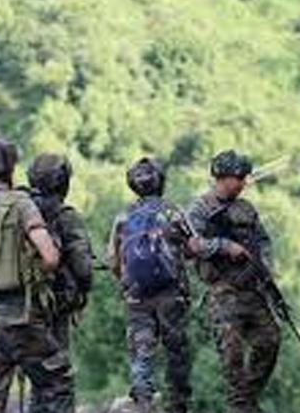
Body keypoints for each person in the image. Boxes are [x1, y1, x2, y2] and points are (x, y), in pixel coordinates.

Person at [0, 137, 71, 413]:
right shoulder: (20, 202)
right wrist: (35, 274)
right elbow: (50, 257)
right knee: (57, 382)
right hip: (20, 316)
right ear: (10, 166)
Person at [187, 150, 280, 413]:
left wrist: (266, 266)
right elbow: (191, 245)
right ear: (223, 177)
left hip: (252, 289)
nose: (243, 183)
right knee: (232, 352)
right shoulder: (200, 209)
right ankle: (240, 405)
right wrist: (224, 246)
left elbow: (263, 240)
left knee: (269, 342)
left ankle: (246, 399)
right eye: (239, 178)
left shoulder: (246, 208)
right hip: (223, 291)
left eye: (244, 178)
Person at [106, 157, 192, 413]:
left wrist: (126, 280)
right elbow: (193, 248)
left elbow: (112, 259)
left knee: (141, 350)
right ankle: (178, 405)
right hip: (171, 294)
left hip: (137, 296)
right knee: (176, 351)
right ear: (160, 181)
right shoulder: (173, 211)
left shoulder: (123, 216)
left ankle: (143, 402)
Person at [25, 153, 93, 406]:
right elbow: (83, 267)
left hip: (16, 305)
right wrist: (83, 293)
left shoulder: (20, 210)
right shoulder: (65, 215)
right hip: (53, 307)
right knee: (58, 377)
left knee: (37, 377)